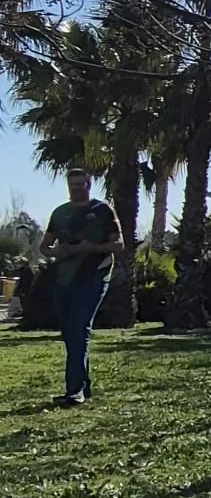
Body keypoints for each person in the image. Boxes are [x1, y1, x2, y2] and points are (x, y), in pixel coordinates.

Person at [42, 166, 123, 406]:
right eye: (72, 184)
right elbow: (44, 246)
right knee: (70, 333)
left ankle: (74, 391)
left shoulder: (102, 211)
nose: (77, 188)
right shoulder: (60, 213)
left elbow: (118, 245)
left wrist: (91, 248)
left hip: (94, 276)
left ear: (89, 185)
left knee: (79, 329)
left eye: (81, 184)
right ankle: (83, 386)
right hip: (65, 278)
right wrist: (56, 251)